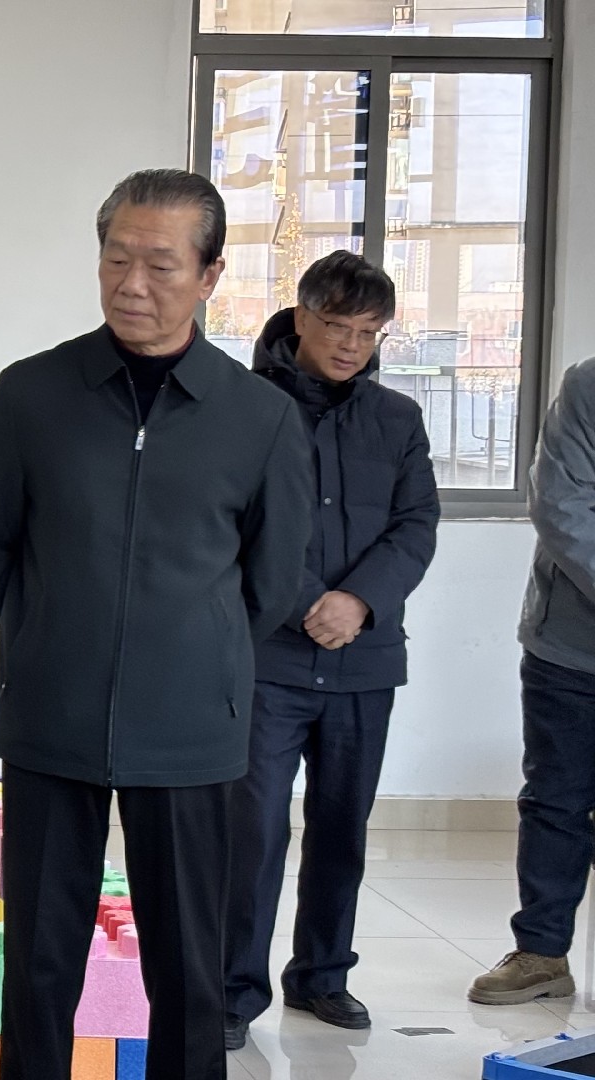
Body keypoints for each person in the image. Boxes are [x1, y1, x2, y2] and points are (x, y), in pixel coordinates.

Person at [0, 169, 312, 1080]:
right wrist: (51, 628)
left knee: (189, 969)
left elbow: (272, 581)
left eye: (160, 264)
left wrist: (191, 652)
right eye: (117, 259)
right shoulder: (31, 395)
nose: (132, 285)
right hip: (51, 715)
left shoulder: (260, 417)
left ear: (210, 275)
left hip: (192, 733)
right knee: (39, 964)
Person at [222, 251, 438, 1046]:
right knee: (254, 832)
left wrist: (359, 601)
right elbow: (234, 520)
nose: (353, 345)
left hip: (364, 659)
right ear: (302, 317)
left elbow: (416, 525)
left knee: (343, 827)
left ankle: (322, 977)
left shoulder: (397, 419)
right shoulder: (245, 408)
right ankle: (232, 991)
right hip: (269, 658)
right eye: (340, 326)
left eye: (369, 332)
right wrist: (308, 599)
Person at [467, 354, 595, 1007]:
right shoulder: (588, 386)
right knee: (556, 802)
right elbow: (563, 509)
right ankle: (542, 954)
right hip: (571, 648)